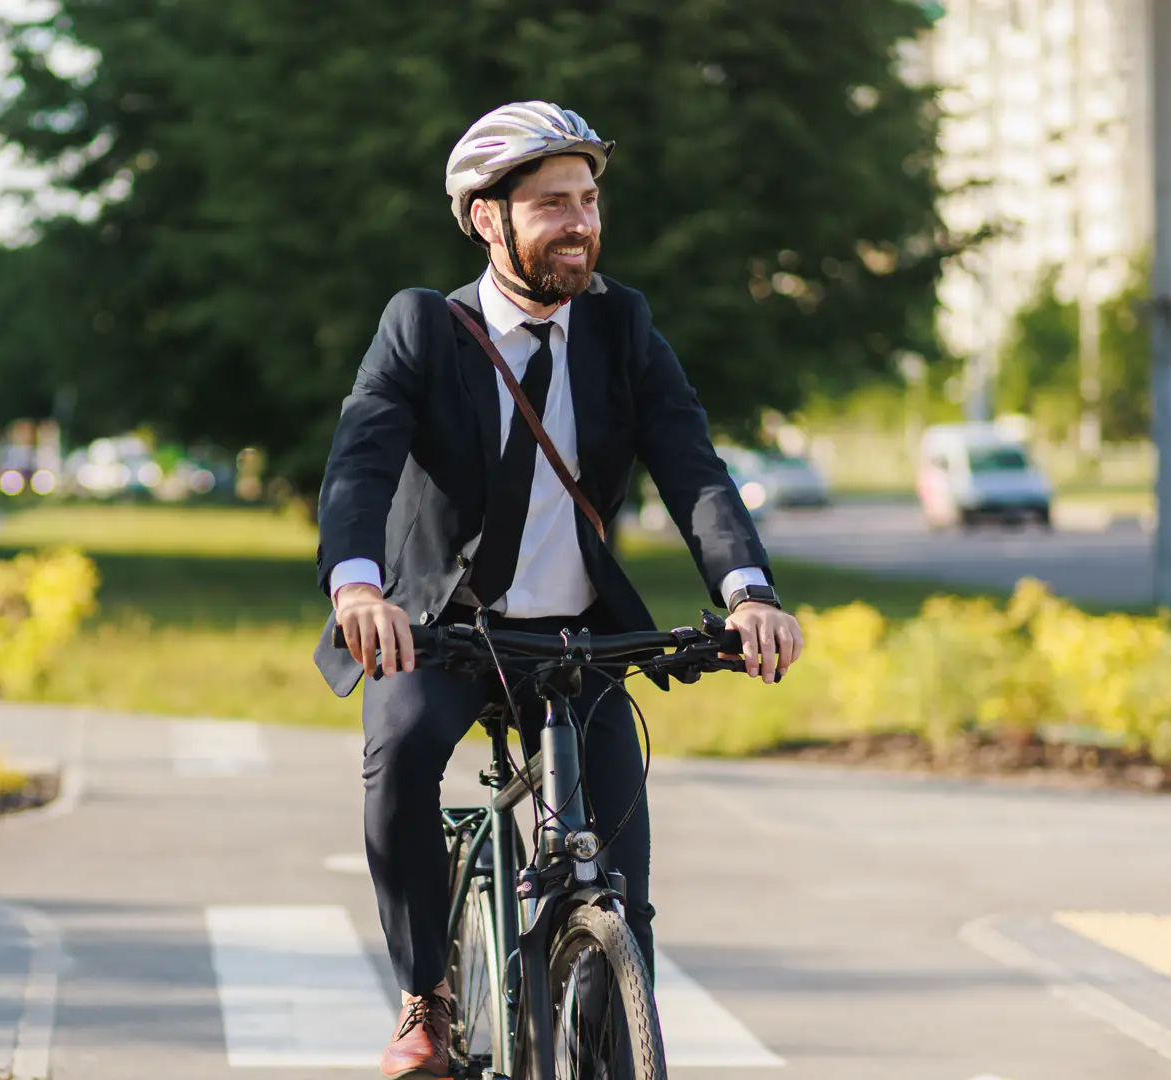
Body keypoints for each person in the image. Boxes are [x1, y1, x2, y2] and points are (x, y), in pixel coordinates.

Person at [313, 102, 804, 1079]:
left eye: (588, 200)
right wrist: (358, 587)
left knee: (620, 891)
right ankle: (426, 997)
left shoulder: (622, 326)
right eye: (551, 204)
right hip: (442, 631)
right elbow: (361, 459)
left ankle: (611, 1030)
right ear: (489, 219)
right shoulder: (422, 327)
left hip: (578, 638)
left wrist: (749, 591)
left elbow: (692, 465)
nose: (580, 222)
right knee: (403, 751)